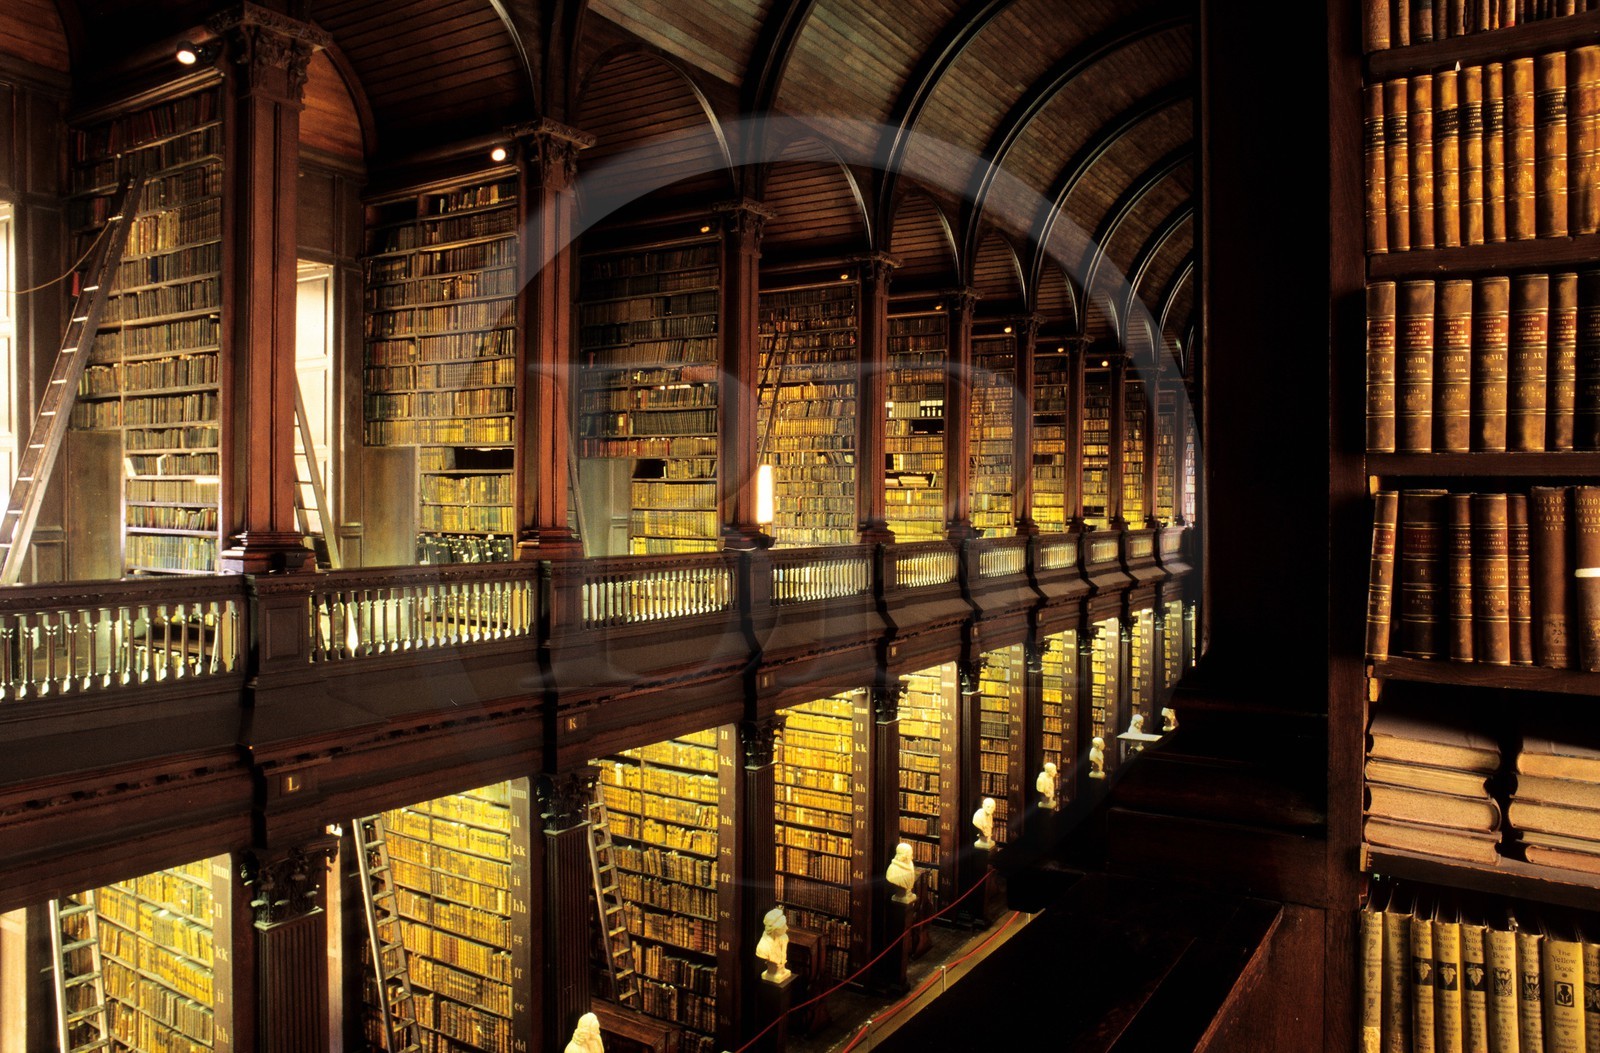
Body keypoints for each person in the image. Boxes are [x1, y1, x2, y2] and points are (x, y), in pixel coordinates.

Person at [756, 906, 791, 982]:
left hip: (781, 972)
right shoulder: (763, 947)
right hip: (772, 973)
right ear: (775, 929)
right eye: (783, 926)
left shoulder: (784, 938)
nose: (787, 928)